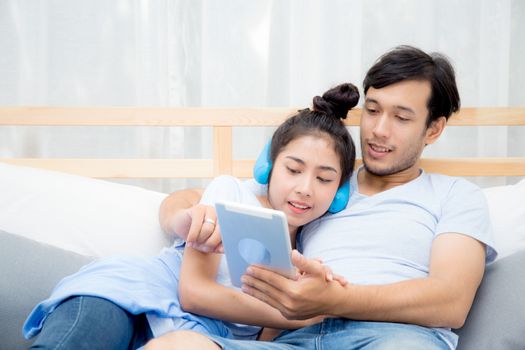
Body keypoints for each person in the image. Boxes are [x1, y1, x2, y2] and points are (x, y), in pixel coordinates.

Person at [145, 45, 497, 350]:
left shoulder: (456, 195)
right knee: (172, 345)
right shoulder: (322, 182)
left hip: (393, 337)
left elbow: (451, 301)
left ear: (433, 128)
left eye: (401, 117)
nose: (378, 129)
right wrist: (184, 217)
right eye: (372, 110)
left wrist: (337, 300)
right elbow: (194, 200)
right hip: (296, 338)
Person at [22, 83, 360, 349]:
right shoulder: (230, 193)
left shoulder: (314, 249)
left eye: (324, 179)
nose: (305, 188)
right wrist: (302, 315)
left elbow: (263, 341)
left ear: (339, 191)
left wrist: (301, 305)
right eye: (294, 169)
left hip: (195, 338)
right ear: (268, 166)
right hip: (132, 294)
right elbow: (194, 293)